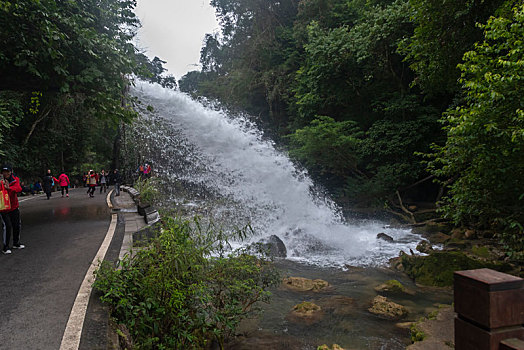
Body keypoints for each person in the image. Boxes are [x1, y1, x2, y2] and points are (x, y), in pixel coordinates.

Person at [1, 164, 24, 254]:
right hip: (3, 207)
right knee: (7, 226)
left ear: (11, 172)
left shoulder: (15, 180)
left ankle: (16, 243)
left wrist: (9, 188)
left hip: (14, 206)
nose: (5, 173)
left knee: (16, 225)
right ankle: (5, 247)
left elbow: (18, 189)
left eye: (7, 171)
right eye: (4, 171)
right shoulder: (0, 181)